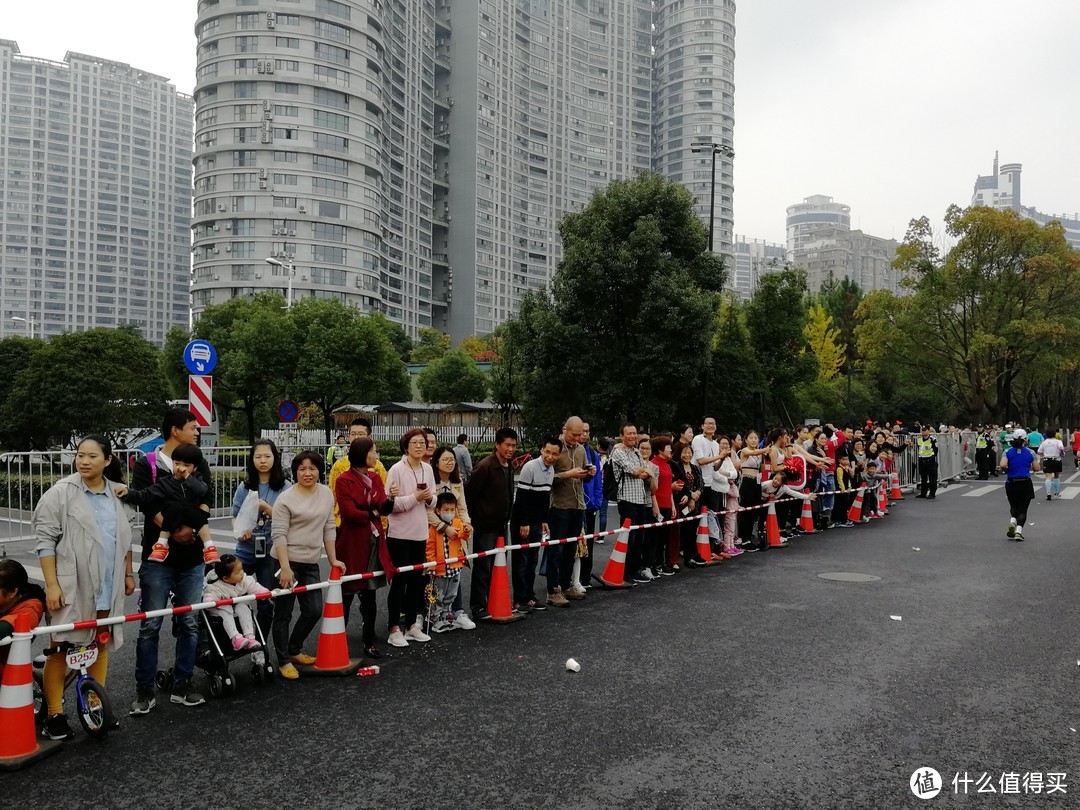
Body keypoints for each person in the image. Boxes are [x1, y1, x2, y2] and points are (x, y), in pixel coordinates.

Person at [34, 434, 134, 739]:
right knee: (61, 647)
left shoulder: (117, 495)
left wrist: (129, 574)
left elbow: (125, 539)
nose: (84, 461)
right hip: (71, 583)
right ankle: (55, 713)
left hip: (108, 582)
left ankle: (94, 705)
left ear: (107, 460)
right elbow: (45, 541)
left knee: (98, 642)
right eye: (80, 455)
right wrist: (51, 585)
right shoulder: (61, 493)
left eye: (92, 456)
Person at [130, 408, 212, 714]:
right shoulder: (146, 464)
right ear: (175, 430)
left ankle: (182, 684)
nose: (197, 432)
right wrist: (175, 530)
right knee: (150, 624)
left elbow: (207, 498)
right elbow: (148, 504)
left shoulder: (197, 460)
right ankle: (144, 690)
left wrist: (192, 528)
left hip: (192, 557)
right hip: (158, 557)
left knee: (190, 623)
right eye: (193, 427)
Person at [271, 451, 344, 680]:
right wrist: (285, 567)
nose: (307, 473)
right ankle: (283, 660)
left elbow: (329, 527)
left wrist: (333, 559)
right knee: (283, 613)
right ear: (295, 473)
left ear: (319, 470)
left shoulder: (326, 493)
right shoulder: (285, 499)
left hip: (311, 560)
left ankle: (295, 649)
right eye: (302, 469)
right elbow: (279, 535)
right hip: (287, 561)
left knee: (313, 610)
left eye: (312, 468)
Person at [336, 437, 396, 658]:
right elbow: (349, 513)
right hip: (352, 543)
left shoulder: (376, 477)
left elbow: (383, 507)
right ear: (363, 454)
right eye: (373, 451)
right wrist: (373, 512)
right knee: (347, 591)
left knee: (369, 593)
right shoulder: (344, 480)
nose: (376, 454)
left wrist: (390, 500)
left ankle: (368, 639)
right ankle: (336, 635)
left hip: (373, 542)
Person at [118, 444, 219, 565]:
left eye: (186, 465)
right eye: (177, 464)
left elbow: (202, 491)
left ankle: (209, 547)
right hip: (173, 517)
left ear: (195, 468)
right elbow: (146, 494)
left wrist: (187, 477)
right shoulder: (165, 482)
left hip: (192, 516)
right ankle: (161, 544)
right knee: (170, 512)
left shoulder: (197, 479)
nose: (181, 468)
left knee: (201, 516)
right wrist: (129, 493)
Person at [231, 440, 290, 644]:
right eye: (258, 457)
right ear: (252, 460)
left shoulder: (285, 487)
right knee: (234, 596)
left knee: (266, 602)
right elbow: (235, 516)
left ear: (275, 458)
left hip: (271, 551)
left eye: (267, 456)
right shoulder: (244, 486)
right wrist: (241, 532)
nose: (263, 461)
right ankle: (239, 638)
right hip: (245, 550)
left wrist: (267, 509)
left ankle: (260, 646)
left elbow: (287, 519)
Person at [384, 429, 437, 647]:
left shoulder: (427, 468)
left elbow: (434, 501)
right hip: (398, 535)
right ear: (406, 447)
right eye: (414, 442)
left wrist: (427, 499)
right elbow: (390, 506)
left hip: (419, 533)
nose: (419, 446)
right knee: (399, 582)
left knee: (416, 581)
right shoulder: (396, 470)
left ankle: (412, 626)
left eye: (422, 442)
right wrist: (415, 497)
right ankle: (394, 628)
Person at [464, 427, 519, 620]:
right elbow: (469, 494)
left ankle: (493, 601)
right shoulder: (485, 466)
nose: (511, 449)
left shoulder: (509, 465)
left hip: (503, 524)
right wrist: (476, 518)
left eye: (513, 445)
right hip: (485, 525)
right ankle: (478, 607)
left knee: (499, 564)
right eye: (507, 445)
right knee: (483, 566)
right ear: (497, 445)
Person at [428, 446, 475, 628]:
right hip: (436, 533)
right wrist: (443, 527)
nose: (449, 463)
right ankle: (433, 615)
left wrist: (466, 524)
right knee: (437, 578)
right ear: (436, 462)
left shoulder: (458, 482)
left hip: (455, 535)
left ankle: (456, 612)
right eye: (445, 459)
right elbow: (427, 510)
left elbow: (462, 507)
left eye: (452, 460)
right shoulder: (431, 482)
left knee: (455, 574)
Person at [510, 438, 560, 610]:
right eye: (547, 452)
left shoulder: (551, 470)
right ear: (541, 450)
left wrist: (544, 519)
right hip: (523, 521)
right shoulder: (530, 467)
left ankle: (529, 595)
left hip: (537, 522)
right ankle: (518, 599)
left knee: (532, 560)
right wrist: (524, 522)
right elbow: (522, 498)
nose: (550, 456)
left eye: (554, 454)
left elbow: (544, 498)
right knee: (521, 561)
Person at [548, 417, 593, 600]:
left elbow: (583, 477)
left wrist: (588, 474)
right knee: (556, 550)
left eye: (580, 434)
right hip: (559, 505)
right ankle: (552, 589)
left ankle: (566, 585)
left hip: (578, 504)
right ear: (564, 429)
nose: (577, 438)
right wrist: (568, 474)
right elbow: (547, 477)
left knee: (571, 548)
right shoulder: (555, 448)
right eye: (574, 434)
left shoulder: (581, 450)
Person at [609, 423, 654, 584]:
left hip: (640, 499)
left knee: (640, 537)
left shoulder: (636, 452)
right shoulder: (618, 452)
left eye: (634, 433)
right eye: (629, 433)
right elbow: (635, 471)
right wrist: (643, 471)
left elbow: (645, 473)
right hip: (626, 498)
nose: (633, 436)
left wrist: (643, 471)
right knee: (630, 537)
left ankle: (635, 570)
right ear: (621, 435)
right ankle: (625, 571)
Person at [202, 554, 269, 651]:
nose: (242, 573)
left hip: (235, 606)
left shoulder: (244, 580)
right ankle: (235, 638)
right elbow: (208, 600)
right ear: (226, 578)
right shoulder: (215, 586)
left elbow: (255, 587)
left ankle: (249, 636)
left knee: (243, 607)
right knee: (225, 609)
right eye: (238, 572)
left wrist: (265, 593)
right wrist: (212, 602)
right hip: (219, 611)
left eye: (242, 569)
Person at [426, 492, 468, 632]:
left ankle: (445, 616)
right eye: (446, 510)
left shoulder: (457, 523)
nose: (450, 513)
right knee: (437, 595)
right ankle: (434, 618)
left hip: (455, 568)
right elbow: (430, 549)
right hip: (440, 569)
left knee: (451, 594)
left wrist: (467, 530)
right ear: (438, 510)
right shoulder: (434, 529)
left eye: (452, 510)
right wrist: (431, 567)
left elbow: (463, 535)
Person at [0, 559, 46, 681]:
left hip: (7, 671)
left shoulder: (30, 608)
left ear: (12, 592)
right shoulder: (6, 602)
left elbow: (6, 627)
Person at [670, 442, 704, 566]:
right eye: (684, 452)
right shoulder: (676, 467)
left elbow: (701, 483)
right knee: (685, 530)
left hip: (695, 504)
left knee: (693, 529)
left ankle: (694, 553)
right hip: (683, 503)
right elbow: (679, 484)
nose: (687, 455)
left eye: (689, 452)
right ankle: (687, 557)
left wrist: (696, 495)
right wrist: (690, 495)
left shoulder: (695, 468)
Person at [1001, 429, 1039, 540]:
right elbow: (1037, 468)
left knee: (1013, 505)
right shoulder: (1030, 452)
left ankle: (1013, 520)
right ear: (1025, 440)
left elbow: (1003, 465)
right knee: (1023, 509)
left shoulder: (1007, 452)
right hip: (1025, 482)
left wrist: (1008, 469)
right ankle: (1018, 531)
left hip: (1011, 482)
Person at [649, 436, 679, 573]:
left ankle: (661, 563)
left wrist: (673, 505)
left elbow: (668, 488)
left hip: (667, 503)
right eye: (668, 447)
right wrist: (655, 505)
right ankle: (654, 564)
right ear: (660, 449)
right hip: (658, 503)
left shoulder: (667, 464)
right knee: (655, 537)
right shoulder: (653, 464)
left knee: (664, 536)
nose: (670, 449)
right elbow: (653, 488)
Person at [579, 422, 604, 587]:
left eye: (587, 431)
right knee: (572, 544)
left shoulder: (593, 453)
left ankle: (585, 577)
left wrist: (597, 501)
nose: (584, 434)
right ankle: (571, 578)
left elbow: (598, 480)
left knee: (588, 543)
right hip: (572, 504)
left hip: (590, 505)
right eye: (582, 431)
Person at [737, 430, 769, 551]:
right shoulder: (745, 451)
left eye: (756, 438)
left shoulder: (759, 454)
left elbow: (762, 468)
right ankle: (744, 539)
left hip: (757, 482)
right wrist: (764, 450)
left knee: (754, 511)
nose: (754, 440)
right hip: (747, 482)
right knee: (746, 511)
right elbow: (753, 451)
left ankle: (749, 536)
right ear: (746, 440)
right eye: (751, 438)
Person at [711, 436, 741, 556]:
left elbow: (735, 474)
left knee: (723, 520)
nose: (725, 446)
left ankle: (722, 546)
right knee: (716, 519)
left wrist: (726, 474)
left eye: (727, 444)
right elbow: (715, 474)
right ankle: (715, 547)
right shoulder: (715, 457)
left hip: (725, 492)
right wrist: (727, 477)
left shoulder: (728, 459)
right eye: (722, 443)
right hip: (716, 490)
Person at [691, 418, 723, 512]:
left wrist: (722, 459)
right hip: (698, 483)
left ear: (716, 427)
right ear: (702, 426)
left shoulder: (716, 444)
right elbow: (701, 461)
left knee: (710, 514)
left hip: (711, 484)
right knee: (698, 514)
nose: (710, 426)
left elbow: (715, 467)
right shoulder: (698, 439)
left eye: (713, 424)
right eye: (708, 424)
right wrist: (718, 457)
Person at [1037, 429, 1065, 500]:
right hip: (1056, 459)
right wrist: (1062, 454)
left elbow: (1039, 452)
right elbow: (1061, 449)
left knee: (1048, 477)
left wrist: (1044, 455)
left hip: (1047, 459)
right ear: (1055, 434)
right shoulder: (1058, 441)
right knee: (1056, 476)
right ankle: (1056, 493)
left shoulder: (1044, 442)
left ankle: (1048, 493)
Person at [915, 425, 938, 499]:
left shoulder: (932, 439)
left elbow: (935, 450)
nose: (923, 432)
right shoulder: (919, 440)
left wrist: (932, 457)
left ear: (929, 431)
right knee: (923, 478)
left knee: (932, 478)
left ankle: (932, 493)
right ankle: (923, 493)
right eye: (922, 430)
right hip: (922, 460)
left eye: (925, 430)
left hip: (930, 460)